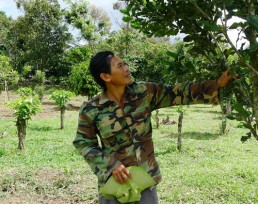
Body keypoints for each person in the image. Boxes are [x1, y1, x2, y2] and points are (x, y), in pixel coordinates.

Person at [73, 51, 235, 204]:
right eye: (119, 66)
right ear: (105, 76)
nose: (126, 68)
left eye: (125, 64)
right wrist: (111, 165)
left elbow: (177, 93)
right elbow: (84, 143)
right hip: (114, 184)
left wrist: (216, 84)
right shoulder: (92, 109)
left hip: (146, 179)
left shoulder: (144, 92)